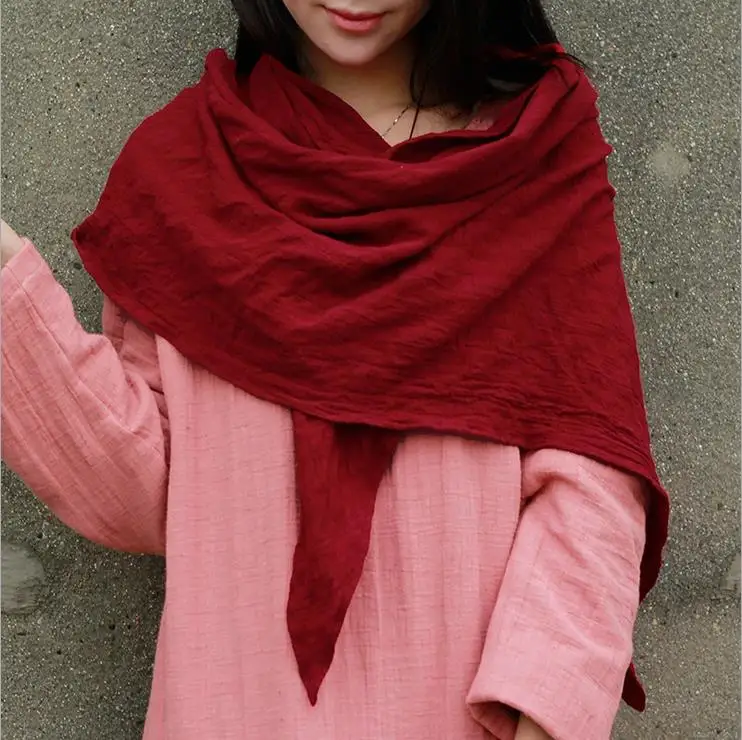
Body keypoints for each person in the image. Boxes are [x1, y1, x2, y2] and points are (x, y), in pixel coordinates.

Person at [1, 1, 670, 738]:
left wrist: (540, 716)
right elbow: (147, 494)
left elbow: (593, 480)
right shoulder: (185, 167)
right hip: (236, 711)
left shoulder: (533, 152)